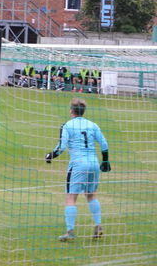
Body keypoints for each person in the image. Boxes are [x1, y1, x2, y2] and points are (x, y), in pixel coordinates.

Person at [45, 98, 110, 242]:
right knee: (91, 195)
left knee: (71, 197)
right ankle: (98, 225)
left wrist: (50, 155)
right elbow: (104, 144)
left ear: (71, 111)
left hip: (78, 165)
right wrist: (105, 160)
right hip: (94, 163)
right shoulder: (92, 125)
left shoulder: (67, 125)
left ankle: (70, 231)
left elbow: (61, 147)